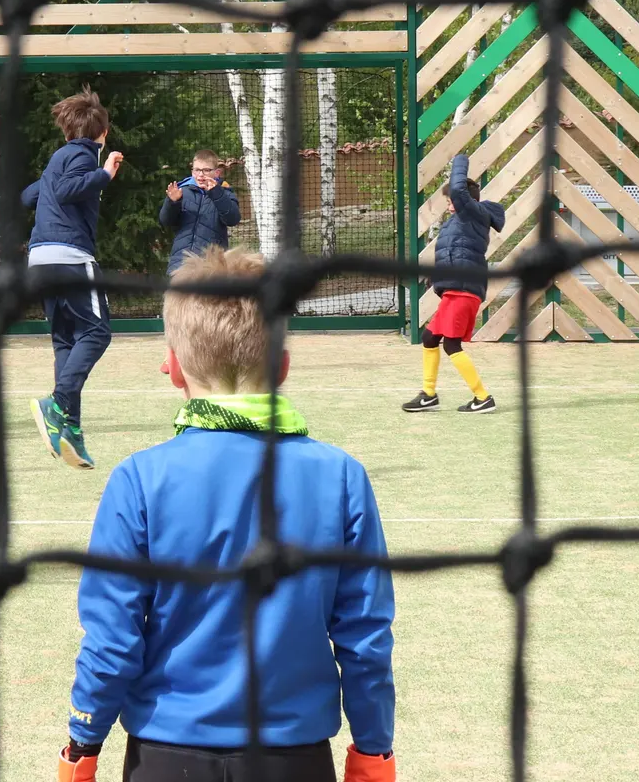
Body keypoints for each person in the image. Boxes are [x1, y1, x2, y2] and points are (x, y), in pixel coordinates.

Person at [56, 247, 397, 782]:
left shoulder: (140, 479)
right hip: (295, 758)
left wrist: (83, 741)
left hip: (163, 757)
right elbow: (364, 637)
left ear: (173, 367)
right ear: (282, 365)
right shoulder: (342, 476)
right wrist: (374, 748)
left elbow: (113, 637)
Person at [22, 90, 122, 470]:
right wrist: (105, 174)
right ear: (104, 132)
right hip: (70, 256)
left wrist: (48, 183)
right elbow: (66, 191)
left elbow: (28, 196)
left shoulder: (58, 158)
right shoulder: (83, 154)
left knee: (66, 340)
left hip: (40, 258)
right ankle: (58, 404)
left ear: (66, 129)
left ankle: (69, 431)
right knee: (97, 333)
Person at [404, 151, 505, 415]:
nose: (449, 205)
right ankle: (428, 395)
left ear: (464, 200)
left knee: (451, 344)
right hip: (455, 289)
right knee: (429, 338)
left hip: (464, 289)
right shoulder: (459, 221)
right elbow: (453, 252)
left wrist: (458, 159)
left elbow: (460, 189)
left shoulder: (473, 213)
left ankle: (483, 398)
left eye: (451, 200)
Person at [158, 149, 241, 274]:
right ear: (192, 171)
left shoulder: (225, 193)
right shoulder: (181, 191)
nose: (201, 175)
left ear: (217, 172)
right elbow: (165, 221)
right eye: (197, 170)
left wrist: (217, 194)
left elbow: (233, 219)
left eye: (206, 170)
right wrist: (172, 202)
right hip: (181, 263)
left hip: (212, 265)